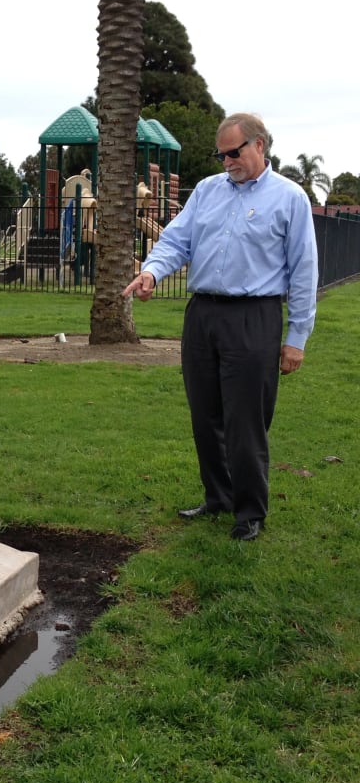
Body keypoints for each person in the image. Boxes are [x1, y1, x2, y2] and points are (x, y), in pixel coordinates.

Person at [122, 113, 318, 541]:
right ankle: (218, 496)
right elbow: (176, 239)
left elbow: (303, 271)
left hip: (254, 316)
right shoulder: (208, 191)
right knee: (204, 412)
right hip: (203, 314)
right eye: (222, 154)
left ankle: (249, 512)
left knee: (245, 418)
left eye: (235, 152)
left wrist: (296, 339)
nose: (227, 161)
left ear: (259, 145)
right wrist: (152, 271)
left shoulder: (289, 198)